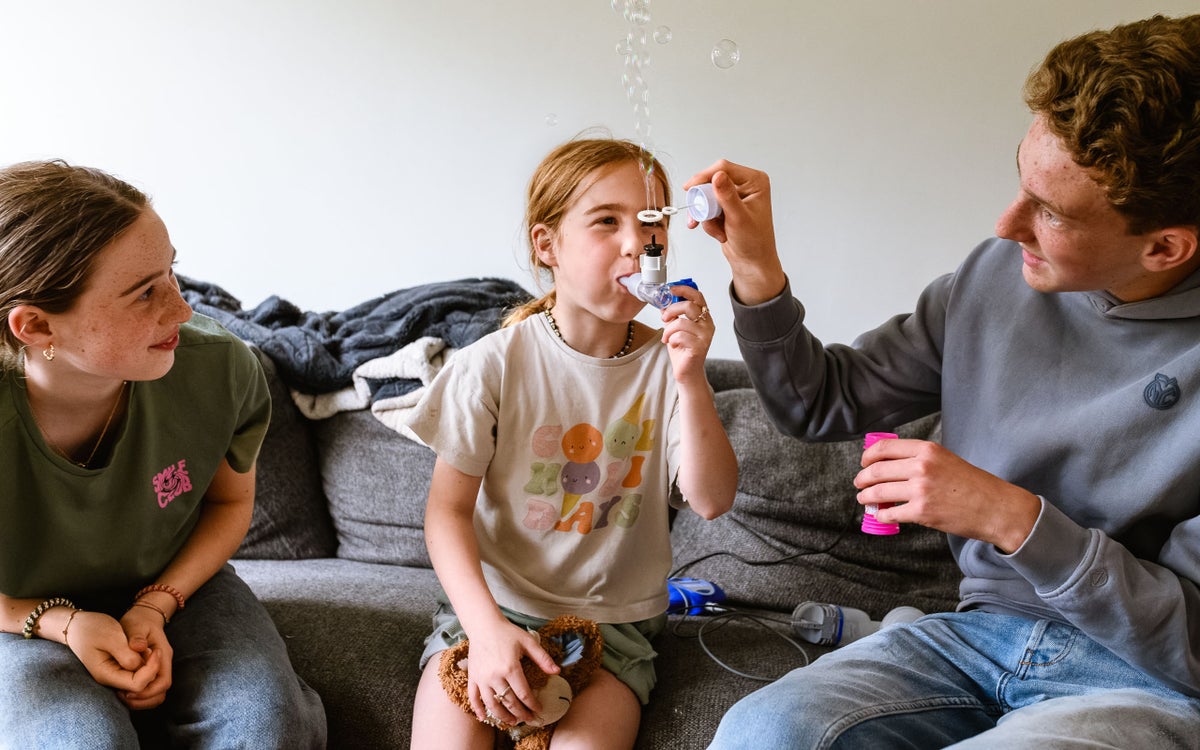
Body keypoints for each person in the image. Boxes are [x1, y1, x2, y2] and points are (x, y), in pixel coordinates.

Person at [690, 13, 1200, 749]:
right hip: (975, 635)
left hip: (1143, 679)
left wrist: (1013, 520)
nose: (1005, 224)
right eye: (1019, 178)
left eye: (1049, 212)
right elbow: (821, 402)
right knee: (761, 731)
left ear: (1165, 246)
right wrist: (757, 273)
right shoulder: (996, 278)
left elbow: (1190, 642)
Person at [406, 137, 738, 749]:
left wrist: (690, 376)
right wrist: (485, 633)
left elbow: (712, 499)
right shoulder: (494, 365)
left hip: (613, 634)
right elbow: (445, 515)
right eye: (606, 221)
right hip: (488, 617)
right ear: (547, 244)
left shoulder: (667, 367)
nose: (636, 243)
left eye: (649, 225)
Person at [0, 160, 326, 747]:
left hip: (173, 583)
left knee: (266, 726)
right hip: (14, 614)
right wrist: (63, 622)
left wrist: (155, 605)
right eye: (143, 292)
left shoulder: (222, 368)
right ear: (36, 326)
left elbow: (229, 505)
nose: (181, 309)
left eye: (171, 273)